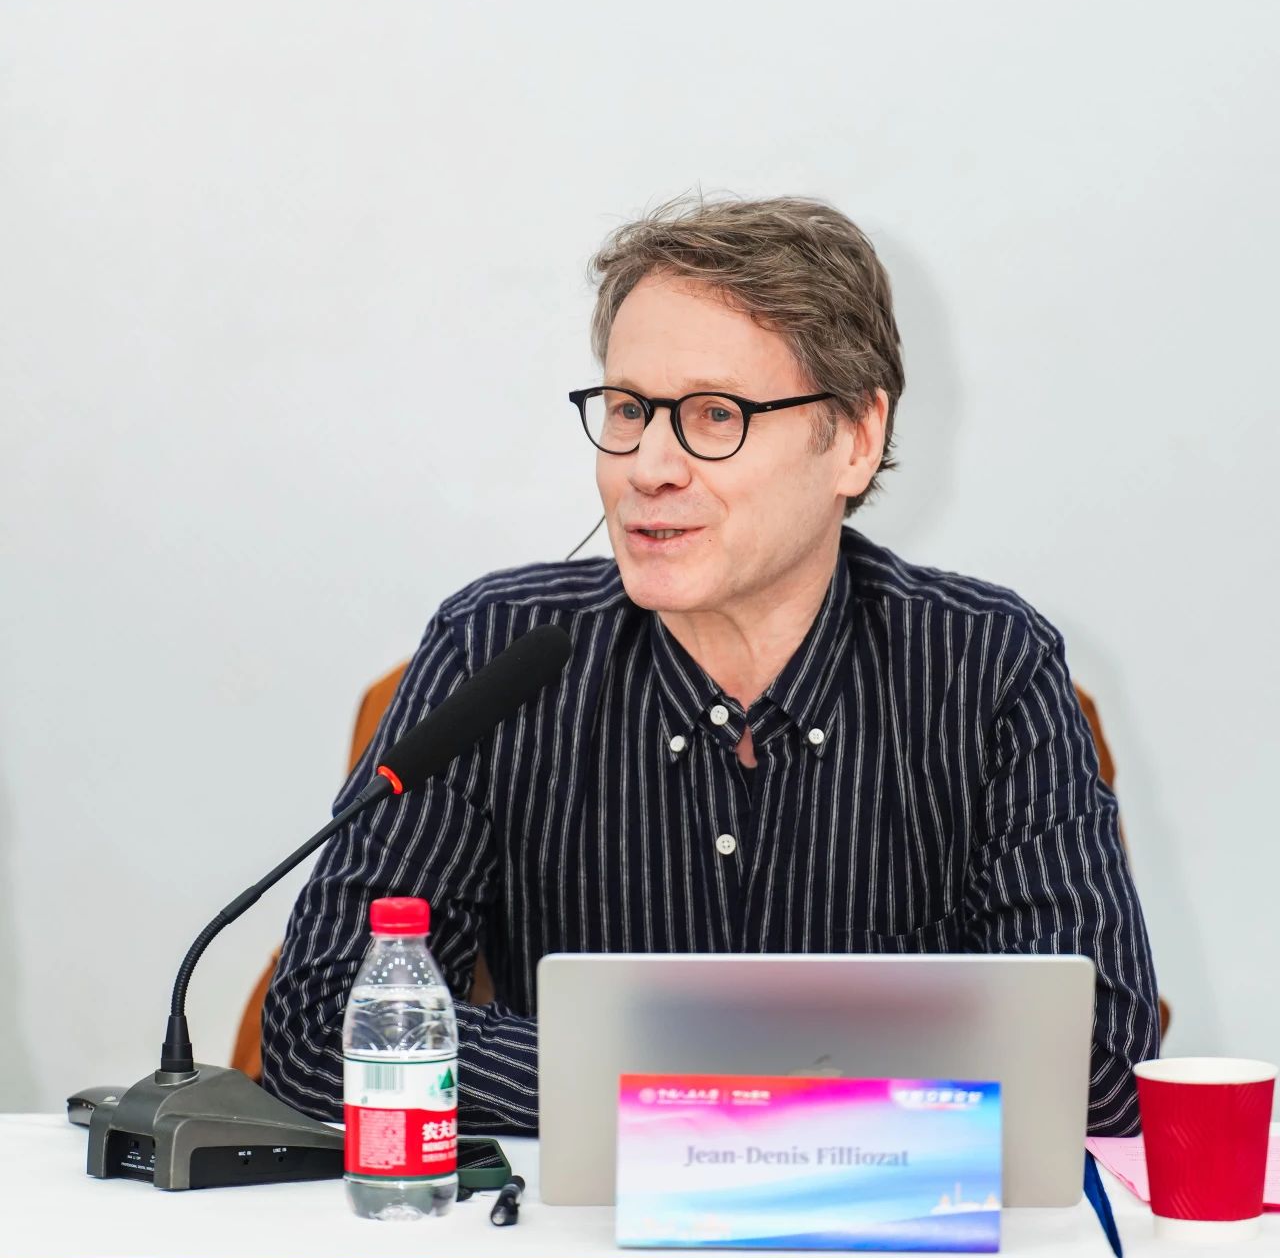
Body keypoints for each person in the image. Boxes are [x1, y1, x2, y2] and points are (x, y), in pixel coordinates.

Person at [262, 195, 1159, 1135]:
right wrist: (757, 1085)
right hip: (590, 1226)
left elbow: (1098, 1060)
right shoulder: (494, 650)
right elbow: (324, 1025)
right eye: (627, 410)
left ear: (856, 440)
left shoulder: (987, 667)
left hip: (890, 1220)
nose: (647, 466)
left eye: (715, 415)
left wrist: (651, 1085)